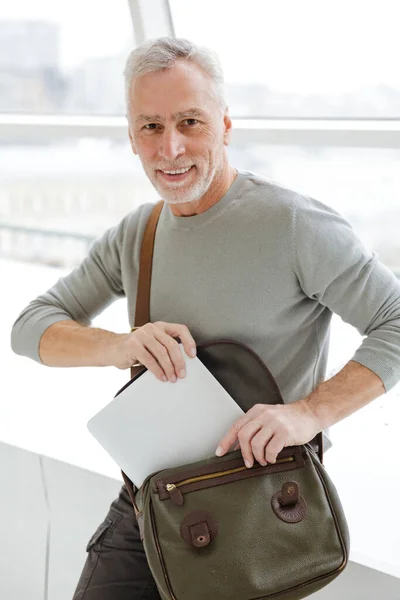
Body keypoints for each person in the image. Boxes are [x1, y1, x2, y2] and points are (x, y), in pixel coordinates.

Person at [11, 37, 400, 600]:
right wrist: (121, 346)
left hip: (258, 507)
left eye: (190, 122)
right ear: (131, 138)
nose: (170, 148)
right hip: (151, 500)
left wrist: (308, 414)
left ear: (224, 124)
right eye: (150, 127)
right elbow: (30, 327)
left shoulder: (293, 224)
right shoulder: (137, 234)